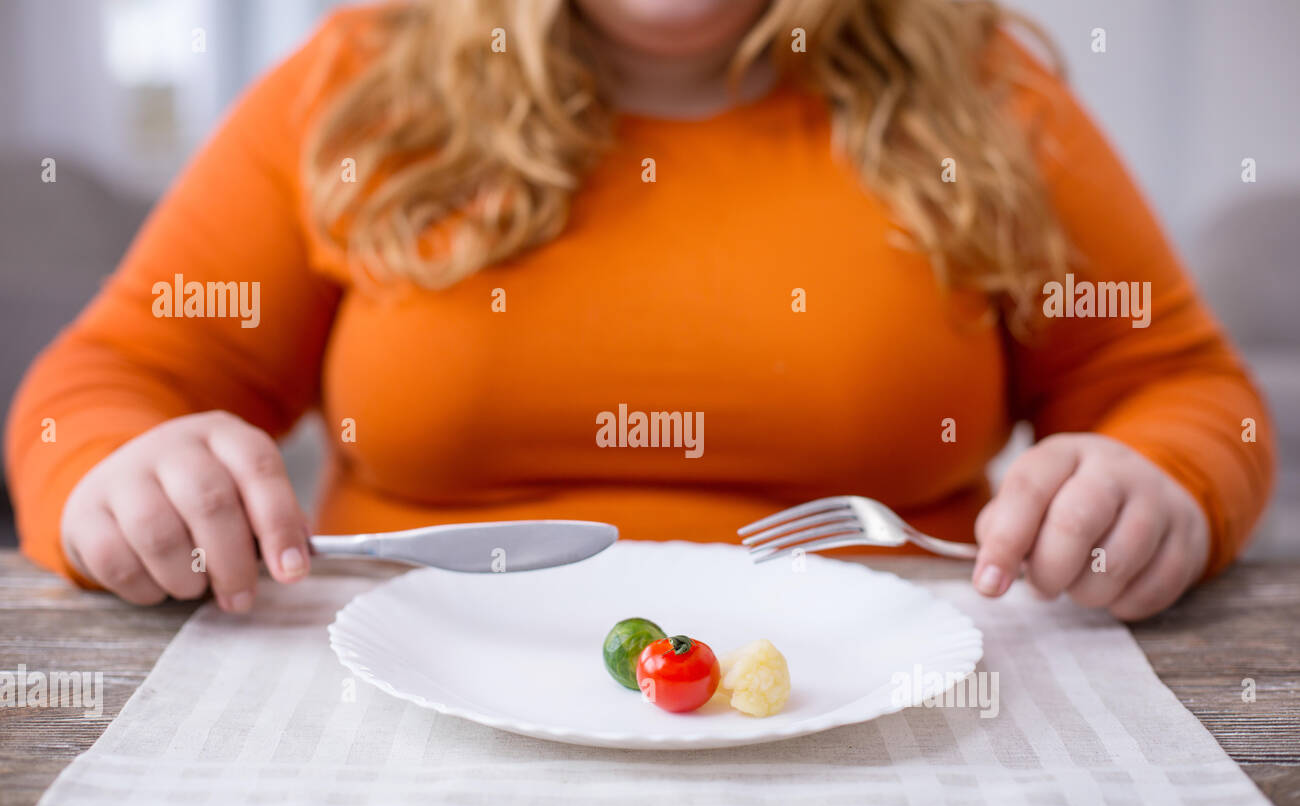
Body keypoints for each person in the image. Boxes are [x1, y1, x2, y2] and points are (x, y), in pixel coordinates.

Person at [4, 0, 1273, 620]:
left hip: (882, 721)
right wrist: (122, 472)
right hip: (401, 705)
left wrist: (1158, 476)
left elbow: (1178, 386)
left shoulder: (990, 98)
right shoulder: (354, 86)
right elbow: (106, 384)